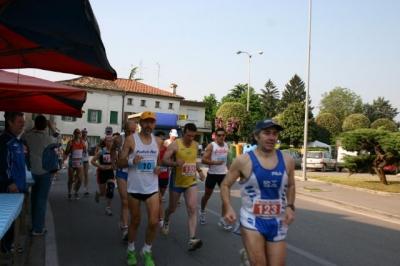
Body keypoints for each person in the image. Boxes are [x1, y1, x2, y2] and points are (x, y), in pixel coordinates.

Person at [220, 119, 296, 266]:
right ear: (256, 136)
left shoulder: (287, 160)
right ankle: (251, 259)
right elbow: (225, 184)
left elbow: (291, 185)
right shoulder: (243, 160)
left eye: (275, 133)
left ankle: (247, 259)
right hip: (252, 219)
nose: (272, 137)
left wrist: (290, 206)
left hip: (278, 220)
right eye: (266, 133)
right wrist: (228, 207)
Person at [117, 111, 163, 266]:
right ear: (140, 124)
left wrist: (158, 168)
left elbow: (158, 162)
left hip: (151, 187)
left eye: (152, 122)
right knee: (136, 221)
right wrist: (131, 161)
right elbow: (120, 162)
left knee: (154, 222)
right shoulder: (131, 140)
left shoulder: (158, 141)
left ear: (154, 124)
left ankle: (147, 250)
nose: (148, 125)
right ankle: (131, 250)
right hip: (135, 188)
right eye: (146, 122)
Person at [160, 123, 206, 252]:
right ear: (183, 133)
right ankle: (166, 220)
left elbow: (193, 161)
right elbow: (163, 160)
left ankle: (192, 239)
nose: (191, 138)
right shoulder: (175, 145)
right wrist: (175, 163)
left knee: (191, 209)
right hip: (177, 182)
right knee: (172, 208)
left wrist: (200, 171)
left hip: (191, 181)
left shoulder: (195, 145)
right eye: (188, 135)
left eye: (193, 136)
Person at [22, 115, 61, 235]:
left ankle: (34, 224)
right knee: (41, 200)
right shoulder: (48, 139)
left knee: (34, 198)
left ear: (35, 125)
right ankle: (37, 228)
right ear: (45, 126)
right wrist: (52, 128)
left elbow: (22, 136)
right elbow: (59, 140)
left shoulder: (28, 137)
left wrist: (33, 129)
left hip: (33, 170)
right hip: (45, 171)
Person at [0, 112, 26, 255]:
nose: (23, 124)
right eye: (19, 122)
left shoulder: (17, 140)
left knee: (14, 217)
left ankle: (9, 243)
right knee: (8, 219)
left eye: (23, 122)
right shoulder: (5, 141)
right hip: (8, 187)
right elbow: (3, 165)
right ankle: (6, 246)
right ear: (10, 123)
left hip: (17, 185)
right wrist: (10, 182)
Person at [199, 128, 231, 229]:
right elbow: (203, 160)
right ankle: (202, 211)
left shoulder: (226, 145)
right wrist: (215, 163)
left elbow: (227, 159)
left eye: (223, 135)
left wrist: (229, 171)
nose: (221, 137)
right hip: (212, 174)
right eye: (219, 135)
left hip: (223, 175)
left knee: (226, 198)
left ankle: (222, 220)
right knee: (207, 196)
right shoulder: (212, 145)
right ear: (216, 136)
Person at [110, 120, 137, 241]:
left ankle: (124, 219)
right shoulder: (119, 140)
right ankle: (126, 229)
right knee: (125, 201)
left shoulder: (138, 140)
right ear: (124, 130)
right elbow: (112, 150)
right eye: (128, 131)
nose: (130, 133)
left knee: (132, 203)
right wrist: (113, 162)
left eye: (133, 131)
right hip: (122, 172)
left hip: (134, 173)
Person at [91, 135, 115, 216]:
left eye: (110, 141)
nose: (109, 143)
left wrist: (112, 166)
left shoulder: (114, 152)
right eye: (107, 141)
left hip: (110, 173)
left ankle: (108, 208)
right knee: (102, 193)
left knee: (111, 188)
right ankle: (98, 193)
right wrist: (100, 166)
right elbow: (93, 161)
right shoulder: (101, 152)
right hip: (102, 173)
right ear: (105, 142)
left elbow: (118, 163)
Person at [64, 128, 86, 200]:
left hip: (79, 162)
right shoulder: (70, 142)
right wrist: (70, 150)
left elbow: (85, 151)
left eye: (78, 132)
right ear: (74, 133)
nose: (77, 134)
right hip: (72, 162)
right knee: (71, 179)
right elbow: (66, 153)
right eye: (76, 132)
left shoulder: (83, 142)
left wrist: (84, 154)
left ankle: (76, 192)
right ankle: (69, 192)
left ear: (80, 134)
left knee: (80, 179)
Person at [154, 131, 169, 229]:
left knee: (162, 194)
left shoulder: (167, 149)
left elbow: (171, 160)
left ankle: (156, 210)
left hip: (165, 176)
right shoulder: (153, 149)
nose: (162, 140)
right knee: (159, 199)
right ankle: (161, 219)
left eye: (163, 139)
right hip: (155, 177)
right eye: (160, 138)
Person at [81, 127, 91, 196]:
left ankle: (85, 188)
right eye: (83, 132)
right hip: (80, 158)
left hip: (86, 158)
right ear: (81, 133)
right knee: (79, 174)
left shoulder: (88, 140)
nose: (84, 133)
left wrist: (89, 149)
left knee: (86, 173)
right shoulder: (79, 140)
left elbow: (89, 149)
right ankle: (76, 185)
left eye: (85, 132)